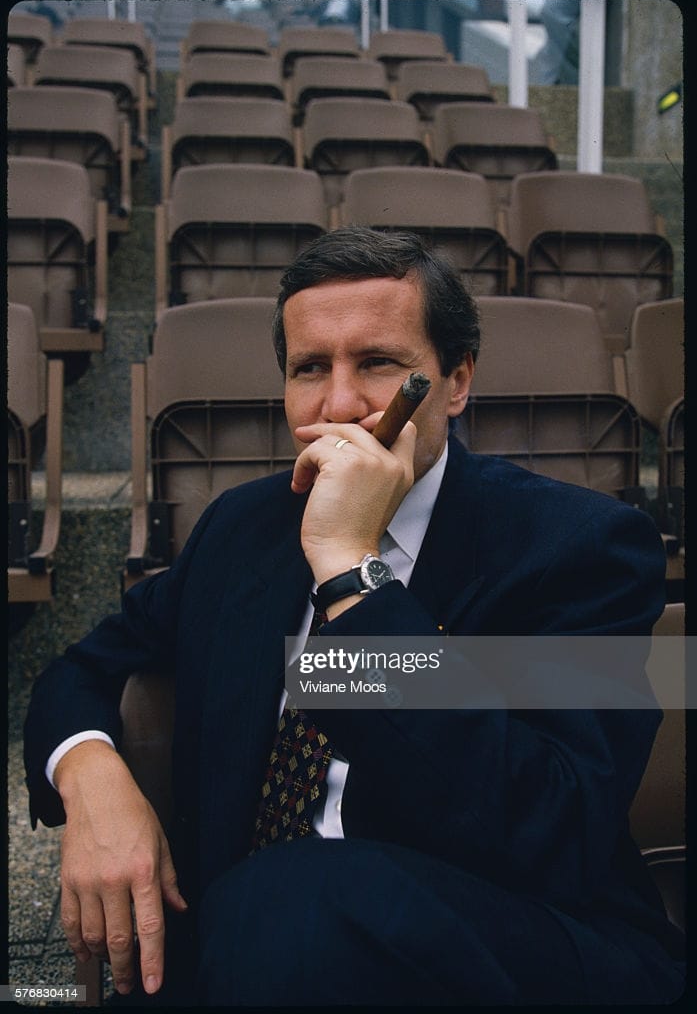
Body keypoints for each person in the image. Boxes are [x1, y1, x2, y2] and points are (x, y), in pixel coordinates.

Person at [24, 227, 684, 1006]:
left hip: (509, 941)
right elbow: (80, 669)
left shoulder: (576, 546)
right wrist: (92, 780)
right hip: (252, 951)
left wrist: (352, 574)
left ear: (455, 381)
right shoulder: (241, 530)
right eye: (310, 369)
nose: (338, 404)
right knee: (266, 913)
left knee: (295, 898)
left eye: (377, 363)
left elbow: (550, 826)